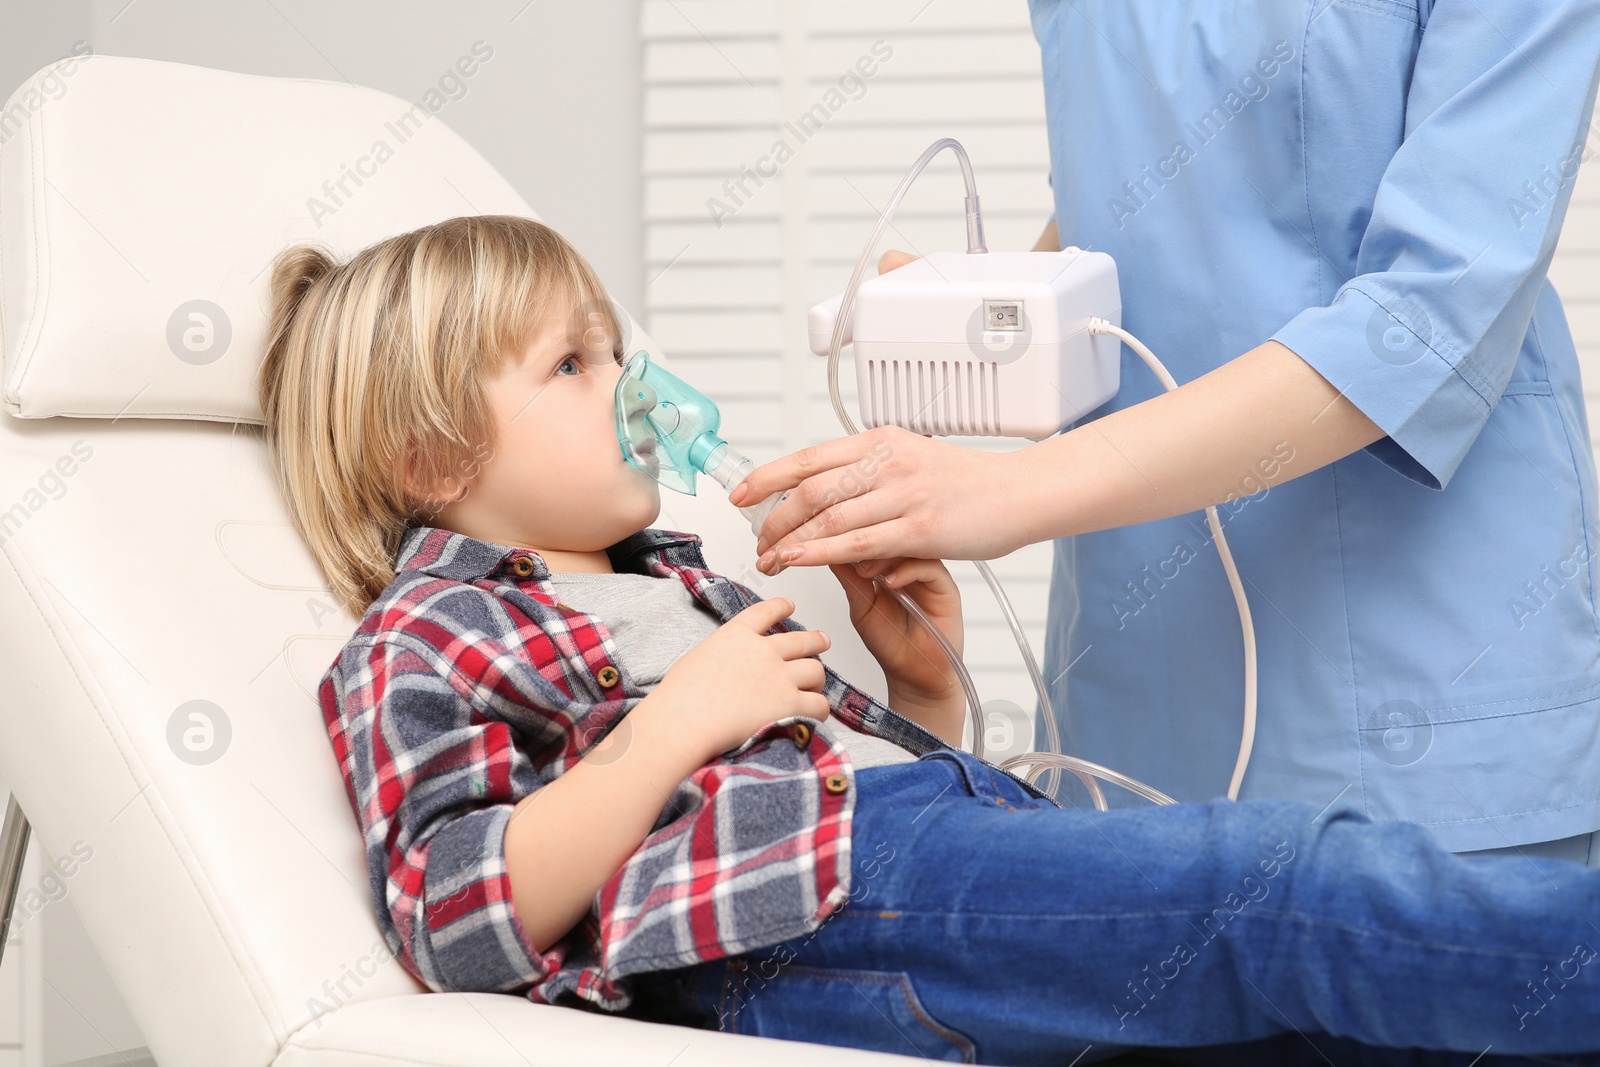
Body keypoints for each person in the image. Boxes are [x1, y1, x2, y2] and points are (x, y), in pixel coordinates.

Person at [259, 214, 1600, 1065]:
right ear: (429, 451)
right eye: (574, 365)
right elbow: (451, 914)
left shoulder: (671, 581)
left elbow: (823, 805)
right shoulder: (426, 632)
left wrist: (920, 688)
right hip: (797, 930)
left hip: (885, 874)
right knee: (1278, 884)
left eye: (613, 348)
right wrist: (679, 719)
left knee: (1314, 1020)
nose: (632, 385)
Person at [729, 0, 1600, 864]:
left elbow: (1428, 311)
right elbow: (1147, 206)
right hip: (1134, 666)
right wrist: (989, 313)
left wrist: (1005, 493)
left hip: (1418, 668)